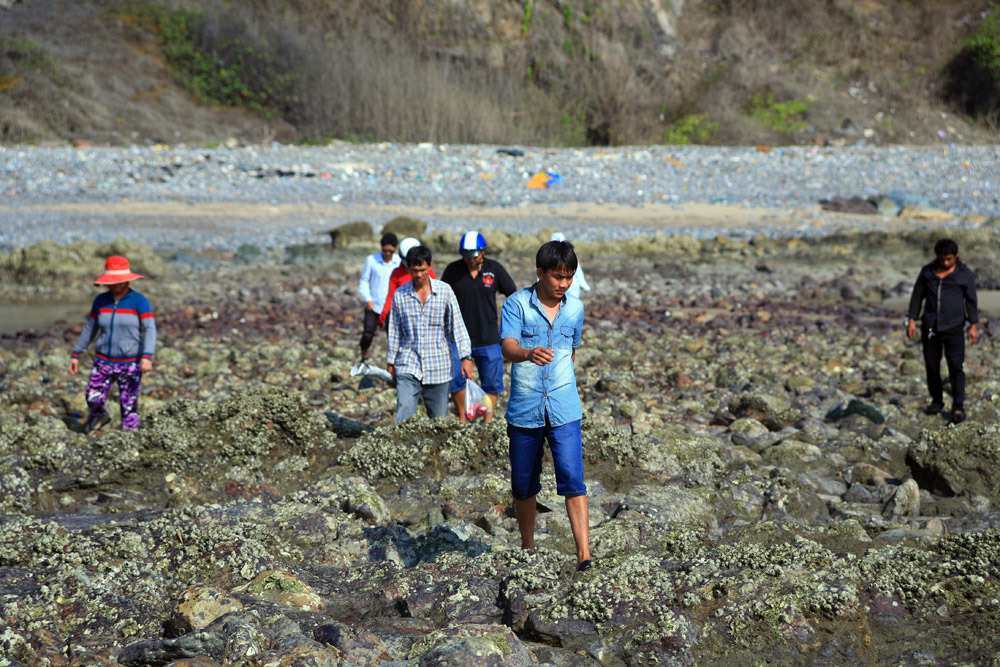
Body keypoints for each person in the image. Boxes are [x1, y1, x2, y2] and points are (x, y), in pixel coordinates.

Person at [500, 240, 592, 571]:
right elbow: (507, 347)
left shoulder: (575, 309)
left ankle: (584, 556)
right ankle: (527, 549)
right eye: (557, 277)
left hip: (565, 407)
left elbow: (572, 348)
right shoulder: (516, 304)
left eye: (569, 277)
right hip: (525, 408)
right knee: (524, 484)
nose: (564, 284)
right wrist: (527, 353)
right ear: (540, 273)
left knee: (573, 478)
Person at [68, 255, 156, 432]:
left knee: (128, 404)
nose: (112, 285)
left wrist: (147, 356)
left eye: (116, 281)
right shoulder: (101, 301)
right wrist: (76, 353)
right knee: (93, 396)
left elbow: (150, 329)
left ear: (126, 281)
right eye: (110, 281)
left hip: (131, 362)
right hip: (103, 361)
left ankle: (129, 441)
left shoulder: (139, 301)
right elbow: (90, 328)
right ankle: (100, 415)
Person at [387, 245, 474, 422]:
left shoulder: (445, 291)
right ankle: (403, 447)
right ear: (408, 267)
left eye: (422, 270)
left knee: (438, 419)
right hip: (408, 362)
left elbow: (458, 326)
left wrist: (466, 357)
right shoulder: (400, 295)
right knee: (403, 413)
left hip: (439, 365)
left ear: (430, 266)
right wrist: (390, 362)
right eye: (414, 270)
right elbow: (395, 331)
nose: (418, 275)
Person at [442, 231, 516, 422]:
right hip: (457, 338)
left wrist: (512, 324)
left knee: (491, 382)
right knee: (456, 380)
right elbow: (440, 298)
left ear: (482, 252)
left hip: (488, 337)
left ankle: (487, 420)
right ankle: (463, 416)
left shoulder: (494, 269)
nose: (470, 260)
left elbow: (513, 295)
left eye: (473, 256)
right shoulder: (453, 270)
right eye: (466, 256)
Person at [906, 238, 978, 424]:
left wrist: (973, 325)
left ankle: (958, 406)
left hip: (954, 328)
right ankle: (937, 401)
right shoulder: (927, 272)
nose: (945, 263)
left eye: (948, 259)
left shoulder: (965, 275)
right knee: (931, 365)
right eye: (942, 259)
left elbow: (971, 301)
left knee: (955, 366)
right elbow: (917, 296)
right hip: (930, 327)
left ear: (955, 256)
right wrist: (912, 319)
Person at [358, 232, 400, 362]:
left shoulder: (399, 262)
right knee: (367, 334)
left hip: (391, 306)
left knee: (393, 337)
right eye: (385, 250)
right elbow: (364, 280)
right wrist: (368, 299)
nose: (387, 253)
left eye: (390, 251)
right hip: (374, 304)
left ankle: (393, 362)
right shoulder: (372, 260)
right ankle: (364, 355)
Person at [378, 237, 436, 329]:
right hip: (404, 313)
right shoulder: (396, 273)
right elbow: (391, 295)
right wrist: (384, 312)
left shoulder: (428, 272)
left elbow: (434, 292)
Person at [550, 232, 591, 299]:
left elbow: (578, 271)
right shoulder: (570, 256)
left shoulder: (570, 257)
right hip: (567, 289)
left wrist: (585, 286)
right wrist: (585, 286)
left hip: (572, 289)